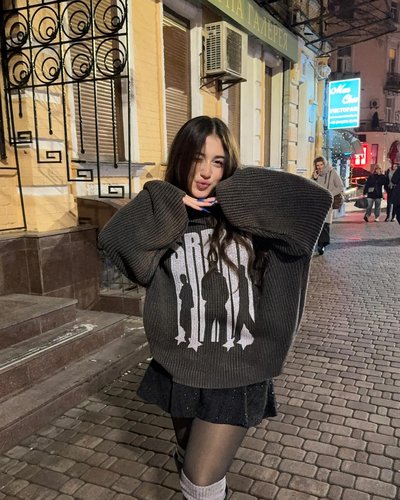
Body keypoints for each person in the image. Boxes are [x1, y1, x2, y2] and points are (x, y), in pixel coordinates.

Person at [98, 116, 332, 500]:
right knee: (188, 459)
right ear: (181, 159)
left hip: (237, 368)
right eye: (197, 158)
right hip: (182, 365)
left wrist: (232, 196)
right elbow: (115, 240)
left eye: (218, 161)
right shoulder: (167, 220)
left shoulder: (248, 218)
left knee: (200, 481)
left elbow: (312, 203)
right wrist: (169, 202)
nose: (206, 172)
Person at [311, 156, 344, 255]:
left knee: (325, 224)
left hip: (327, 202)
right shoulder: (315, 174)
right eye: (317, 165)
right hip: (317, 203)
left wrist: (330, 193)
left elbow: (340, 187)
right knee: (317, 224)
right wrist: (314, 179)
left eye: (321, 164)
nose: (319, 167)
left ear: (324, 164)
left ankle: (322, 245)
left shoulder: (332, 172)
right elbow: (311, 186)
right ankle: (319, 244)